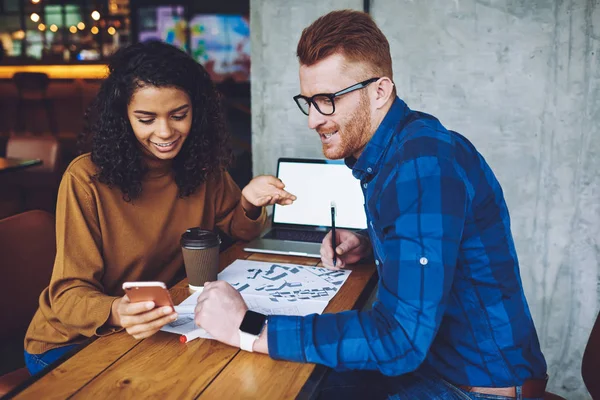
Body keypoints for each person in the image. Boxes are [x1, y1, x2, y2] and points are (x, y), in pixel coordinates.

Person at [193, 10, 548, 400]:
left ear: (380, 91)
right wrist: (370, 241)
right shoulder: (403, 147)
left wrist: (250, 326)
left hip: (472, 389)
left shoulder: (423, 166)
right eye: (308, 101)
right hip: (433, 368)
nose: (313, 120)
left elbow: (399, 338)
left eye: (326, 100)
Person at [23, 40, 295, 376]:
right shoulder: (86, 178)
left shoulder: (201, 165)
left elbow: (240, 230)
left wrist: (249, 202)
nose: (165, 132)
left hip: (158, 330)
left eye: (179, 115)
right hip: (71, 344)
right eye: (146, 118)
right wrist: (117, 310)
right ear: (123, 117)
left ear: (197, 110)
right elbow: (67, 295)